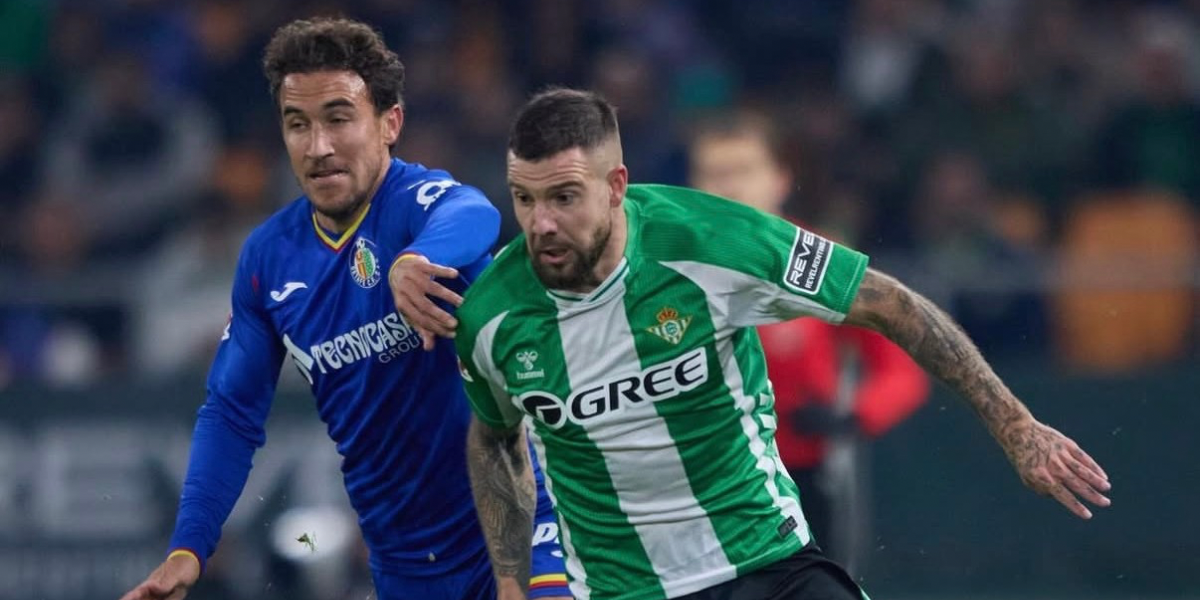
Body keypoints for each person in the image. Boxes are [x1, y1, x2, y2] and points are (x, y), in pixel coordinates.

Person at [449, 88, 1110, 600]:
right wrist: (511, 583)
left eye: (564, 197)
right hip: (626, 589)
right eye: (524, 199)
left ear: (617, 186)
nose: (541, 224)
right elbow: (493, 435)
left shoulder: (714, 241)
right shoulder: (493, 317)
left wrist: (1018, 427)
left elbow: (894, 305)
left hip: (767, 565)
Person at [118, 18, 570, 600]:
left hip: (520, 530)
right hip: (403, 562)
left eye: (338, 118)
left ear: (390, 124)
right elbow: (232, 412)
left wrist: (416, 261)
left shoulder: (416, 204)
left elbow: (475, 212)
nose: (318, 146)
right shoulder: (269, 259)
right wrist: (189, 546)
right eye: (297, 124)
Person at [687, 112, 929, 571]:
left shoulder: (819, 265)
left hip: (805, 480)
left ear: (780, 179)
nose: (729, 188)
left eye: (742, 171)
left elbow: (900, 370)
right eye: (714, 174)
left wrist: (852, 415)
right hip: (701, 480)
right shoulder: (667, 268)